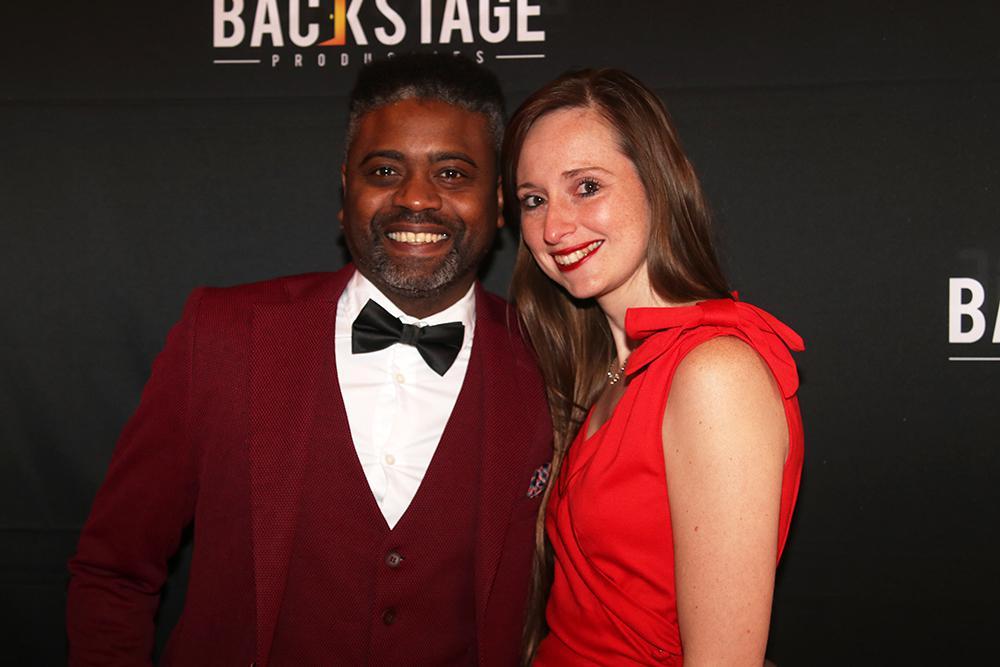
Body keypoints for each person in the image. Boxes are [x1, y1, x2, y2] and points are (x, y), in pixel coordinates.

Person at [66, 53, 552, 667]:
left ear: (500, 202)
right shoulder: (223, 335)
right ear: (345, 192)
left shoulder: (551, 361)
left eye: (452, 173)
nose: (416, 198)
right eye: (384, 170)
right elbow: (115, 569)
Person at [502, 69, 805, 666]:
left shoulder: (715, 372)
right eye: (534, 200)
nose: (554, 228)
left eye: (587, 187)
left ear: (658, 185)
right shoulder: (616, 368)